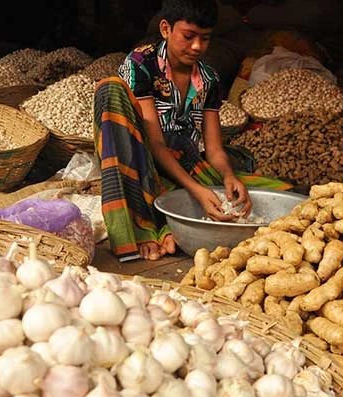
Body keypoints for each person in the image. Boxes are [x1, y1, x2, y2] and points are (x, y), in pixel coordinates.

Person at [93, 0, 291, 262]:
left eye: (205, 39)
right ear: (165, 29)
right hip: (140, 159)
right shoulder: (141, 63)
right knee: (110, 89)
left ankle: (170, 211)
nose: (197, 46)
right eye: (188, 36)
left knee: (284, 192)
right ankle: (141, 226)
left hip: (183, 161)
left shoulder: (209, 79)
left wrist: (229, 176)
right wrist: (197, 190)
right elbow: (156, 144)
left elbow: (215, 149)